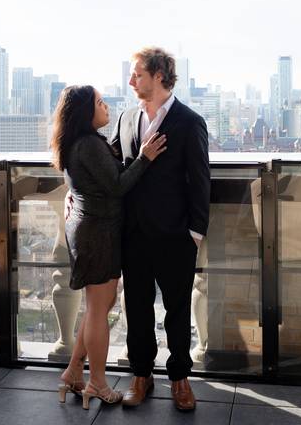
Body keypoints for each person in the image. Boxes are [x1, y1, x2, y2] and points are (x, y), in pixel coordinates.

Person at [51, 84, 167, 409]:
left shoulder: (80, 142)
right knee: (99, 311)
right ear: (85, 113)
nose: (106, 108)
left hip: (90, 230)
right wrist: (145, 157)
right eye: (100, 103)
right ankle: (97, 384)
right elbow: (117, 186)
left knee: (96, 307)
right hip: (97, 234)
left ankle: (73, 373)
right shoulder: (88, 144)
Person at [111, 47, 210, 412]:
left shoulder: (189, 121)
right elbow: (110, 169)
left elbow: (201, 182)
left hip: (175, 238)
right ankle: (141, 375)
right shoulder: (125, 119)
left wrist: (194, 234)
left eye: (137, 73)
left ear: (158, 76)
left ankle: (180, 379)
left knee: (177, 311)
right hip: (133, 236)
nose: (131, 79)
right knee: (136, 309)